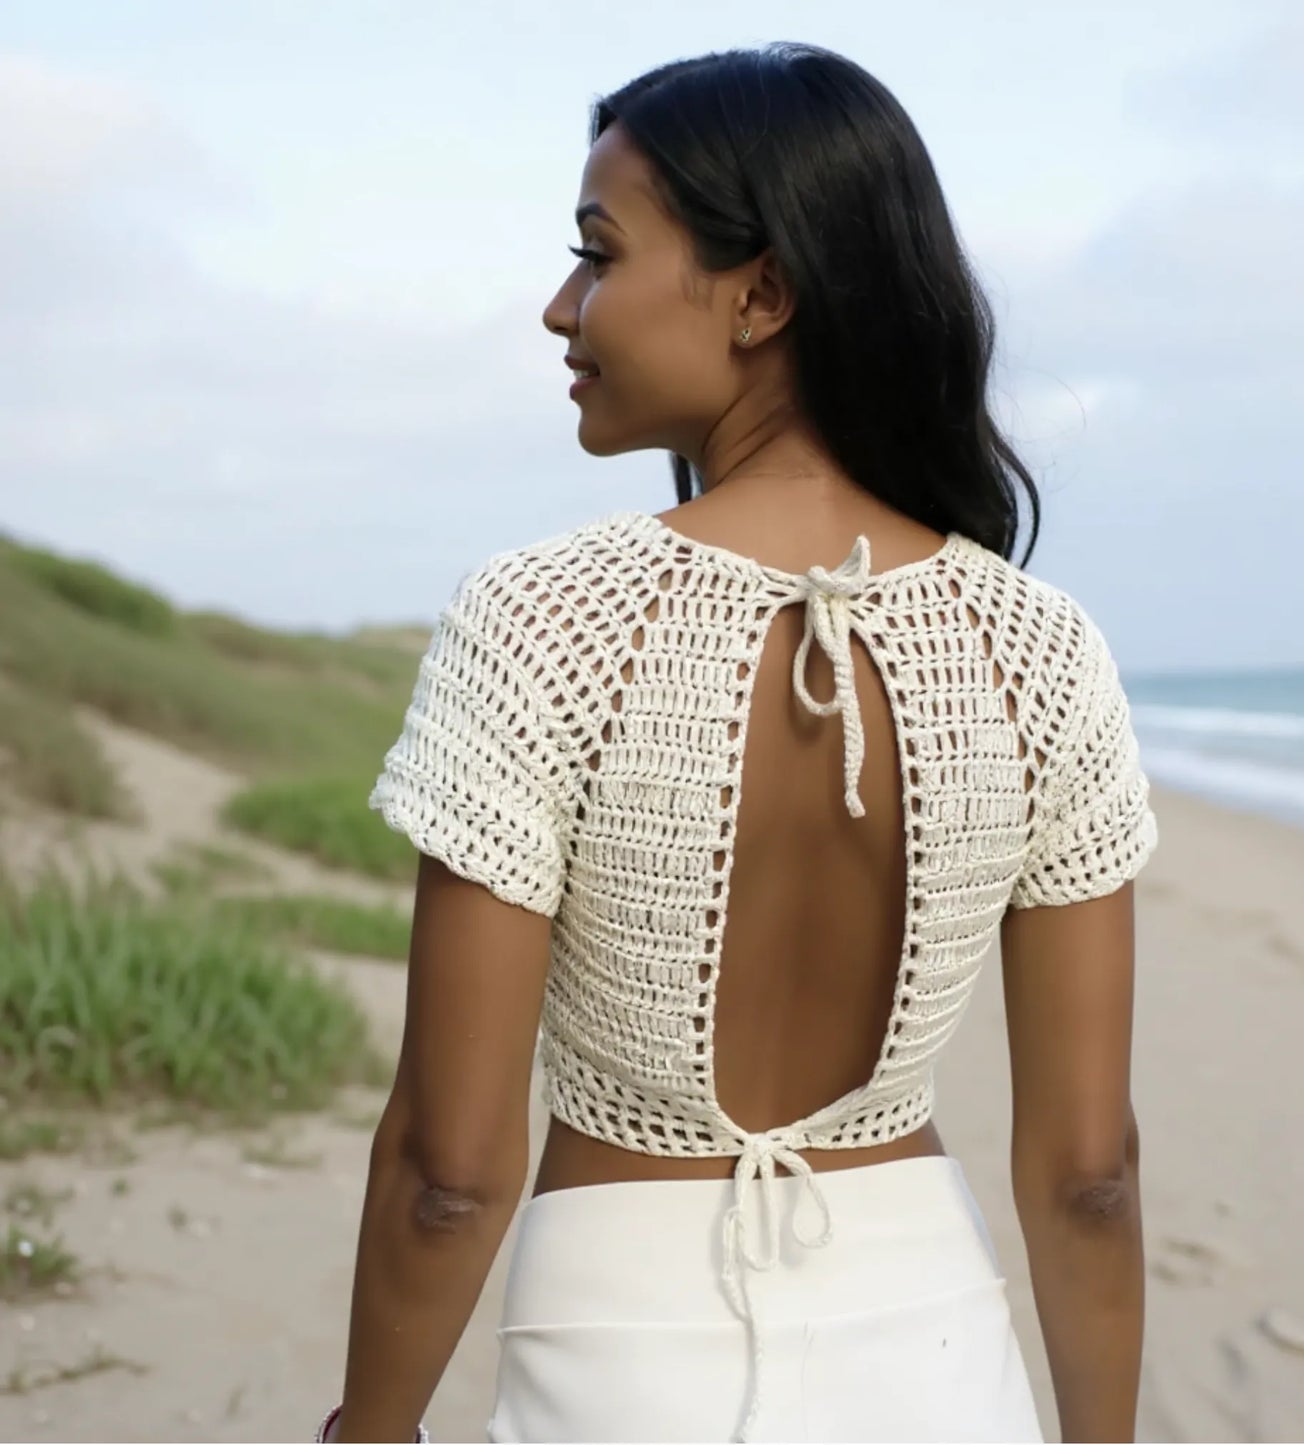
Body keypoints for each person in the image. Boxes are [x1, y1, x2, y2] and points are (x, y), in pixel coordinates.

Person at [316, 40, 1159, 1445]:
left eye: (596, 254)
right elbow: (1088, 1170)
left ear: (762, 292)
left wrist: (373, 1428)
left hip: (616, 1338)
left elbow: (445, 1168)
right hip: (932, 1335)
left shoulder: (539, 620)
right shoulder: (1039, 651)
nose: (558, 306)